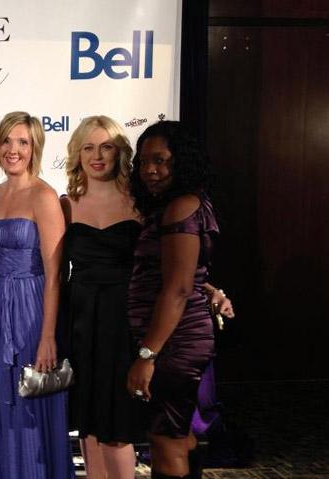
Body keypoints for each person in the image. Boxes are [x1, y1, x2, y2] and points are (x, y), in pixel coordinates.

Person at [0, 112, 74, 478]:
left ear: (35, 148)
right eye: (6, 141)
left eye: (22, 142)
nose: (13, 149)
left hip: (31, 311)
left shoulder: (44, 196)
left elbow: (55, 276)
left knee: (30, 402)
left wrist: (47, 336)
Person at [126, 121, 219, 479]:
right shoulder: (180, 204)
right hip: (177, 338)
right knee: (178, 435)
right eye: (144, 161)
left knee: (165, 440)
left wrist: (147, 355)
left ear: (181, 161)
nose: (150, 170)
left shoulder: (181, 206)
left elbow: (178, 289)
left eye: (160, 160)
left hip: (173, 343)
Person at [61, 116, 143, 479]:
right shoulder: (65, 204)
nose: (97, 156)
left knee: (117, 421)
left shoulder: (140, 202)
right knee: (88, 420)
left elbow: (165, 263)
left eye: (106, 147)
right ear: (77, 154)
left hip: (123, 320)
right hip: (80, 319)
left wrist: (207, 287)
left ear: (119, 152)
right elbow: (54, 271)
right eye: (88, 148)